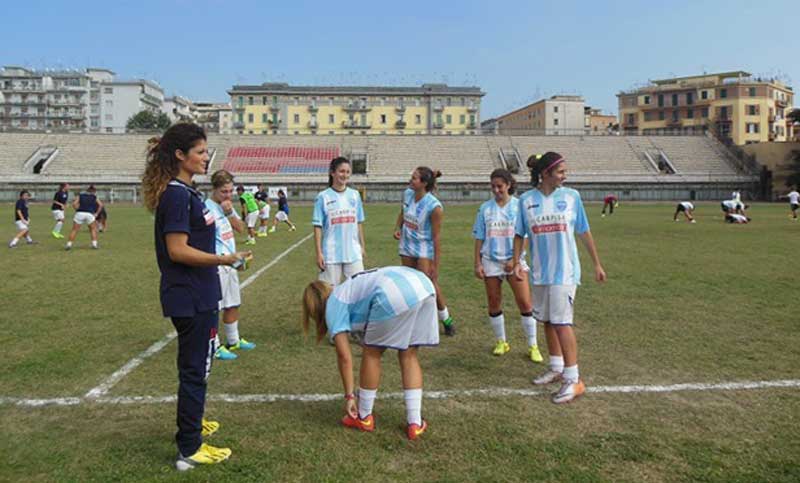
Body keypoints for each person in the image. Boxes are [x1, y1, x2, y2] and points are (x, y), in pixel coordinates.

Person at [142, 122, 250, 471]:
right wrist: (225, 259)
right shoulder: (175, 195)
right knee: (194, 370)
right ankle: (189, 446)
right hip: (189, 297)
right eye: (201, 152)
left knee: (198, 366)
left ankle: (193, 421)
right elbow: (177, 250)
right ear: (180, 155)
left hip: (201, 293)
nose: (207, 158)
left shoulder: (186, 193)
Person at [301, 266, 438, 440]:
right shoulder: (346, 289)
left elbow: (344, 357)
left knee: (372, 353)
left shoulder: (333, 303)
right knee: (409, 355)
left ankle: (364, 417)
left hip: (392, 293)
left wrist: (350, 396)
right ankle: (415, 424)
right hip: (424, 285)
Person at [513, 152, 607, 404]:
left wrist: (596, 264)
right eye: (560, 171)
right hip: (540, 272)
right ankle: (556, 367)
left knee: (562, 323)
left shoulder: (571, 197)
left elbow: (584, 231)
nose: (565, 175)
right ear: (545, 173)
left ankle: (573, 379)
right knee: (546, 320)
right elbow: (519, 234)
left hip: (565, 272)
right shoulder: (526, 200)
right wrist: (516, 262)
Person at [472, 168, 542, 362]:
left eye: (499, 186)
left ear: (509, 185)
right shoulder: (485, 208)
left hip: (515, 261)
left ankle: (532, 345)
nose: (496, 190)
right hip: (490, 261)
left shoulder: (519, 207)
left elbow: (525, 236)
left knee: (525, 303)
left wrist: (515, 259)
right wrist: (477, 263)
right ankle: (501, 341)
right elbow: (479, 237)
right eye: (493, 186)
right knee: (494, 301)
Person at [393, 167, 455, 336]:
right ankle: (413, 322)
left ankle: (446, 320)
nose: (410, 180)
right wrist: (398, 227)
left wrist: (435, 264)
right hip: (406, 246)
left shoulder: (434, 207)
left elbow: (436, 237)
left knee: (429, 285)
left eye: (414, 178)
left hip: (423, 249)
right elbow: (403, 212)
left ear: (424, 183)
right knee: (410, 284)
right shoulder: (408, 194)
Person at [206, 171, 257, 361]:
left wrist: (229, 212)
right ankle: (214, 345)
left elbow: (240, 228)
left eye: (230, 191)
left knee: (233, 302)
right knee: (214, 306)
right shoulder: (207, 208)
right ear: (214, 189)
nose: (228, 195)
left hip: (232, 261)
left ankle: (233, 340)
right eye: (223, 191)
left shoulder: (227, 207)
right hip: (217, 262)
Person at [313, 157, 367, 286]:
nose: (345, 175)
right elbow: (317, 227)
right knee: (328, 293)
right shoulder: (323, 197)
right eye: (341, 171)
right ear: (332, 173)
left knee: (358, 290)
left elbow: (359, 223)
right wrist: (319, 253)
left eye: (348, 172)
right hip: (331, 254)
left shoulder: (355, 195)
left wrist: (362, 246)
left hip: (353, 252)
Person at [65, 185, 103, 250]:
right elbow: (101, 205)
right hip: (90, 214)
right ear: (93, 191)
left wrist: (77, 210)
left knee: (74, 230)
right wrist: (96, 213)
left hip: (80, 213)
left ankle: (69, 245)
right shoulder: (94, 197)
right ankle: (94, 244)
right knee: (92, 229)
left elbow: (74, 204)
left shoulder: (80, 195)